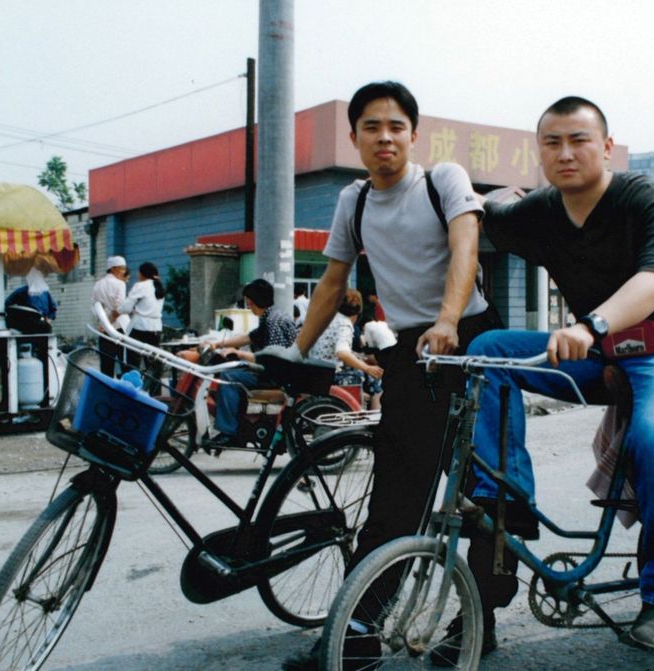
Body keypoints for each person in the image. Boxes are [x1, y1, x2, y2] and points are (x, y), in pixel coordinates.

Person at [466, 96, 654, 657]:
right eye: (552, 143)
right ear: (538, 152)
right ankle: (504, 497)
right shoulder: (539, 211)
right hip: (606, 358)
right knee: (489, 351)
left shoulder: (641, 196)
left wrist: (592, 326)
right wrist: (492, 199)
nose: (565, 153)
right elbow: (486, 212)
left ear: (606, 147)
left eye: (579, 140)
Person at [281, 80, 496, 671]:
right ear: (353, 137)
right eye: (371, 127)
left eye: (396, 126)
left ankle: (482, 620)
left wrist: (448, 320)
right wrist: (297, 353)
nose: (384, 137)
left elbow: (465, 249)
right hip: (409, 352)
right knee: (397, 493)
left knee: (488, 488)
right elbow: (331, 282)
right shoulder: (352, 201)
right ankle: (354, 637)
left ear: (413, 135)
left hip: (474, 341)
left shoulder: (442, 180)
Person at [202, 278, 299, 449]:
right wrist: (218, 344)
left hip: (278, 375)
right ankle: (238, 424)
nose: (247, 303)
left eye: (249, 300)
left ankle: (228, 432)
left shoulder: (273, 321)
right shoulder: (271, 316)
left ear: (255, 300)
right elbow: (249, 337)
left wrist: (238, 353)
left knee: (228, 378)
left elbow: (270, 358)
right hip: (281, 370)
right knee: (236, 369)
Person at [307, 288, 383, 396]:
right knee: (374, 381)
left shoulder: (326, 318)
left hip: (316, 370)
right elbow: (342, 352)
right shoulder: (344, 324)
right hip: (331, 374)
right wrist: (367, 368)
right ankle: (373, 411)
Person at [118, 262, 166, 395]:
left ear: (143, 274)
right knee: (153, 364)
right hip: (156, 328)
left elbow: (126, 307)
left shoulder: (140, 286)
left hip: (139, 327)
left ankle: (130, 391)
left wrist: (119, 309)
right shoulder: (159, 286)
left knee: (132, 362)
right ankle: (155, 395)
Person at [91, 256, 129, 377]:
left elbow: (94, 306)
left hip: (104, 329)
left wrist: (102, 322)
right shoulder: (120, 284)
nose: (123, 272)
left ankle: (107, 392)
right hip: (120, 328)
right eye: (121, 269)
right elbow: (120, 306)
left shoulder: (98, 284)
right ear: (113, 269)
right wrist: (110, 322)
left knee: (106, 365)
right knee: (125, 363)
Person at [5, 266, 57, 333]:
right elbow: (7, 304)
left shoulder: (46, 293)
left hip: (42, 324)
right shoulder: (21, 292)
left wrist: (49, 319)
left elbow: (53, 309)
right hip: (26, 325)